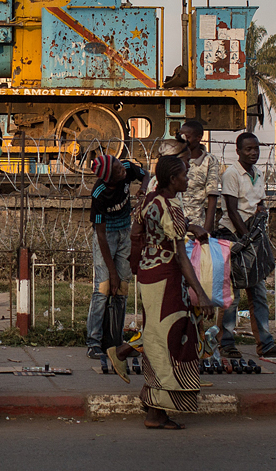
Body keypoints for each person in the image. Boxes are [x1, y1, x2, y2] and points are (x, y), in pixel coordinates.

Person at [104, 156, 211, 430]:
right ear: (173, 179)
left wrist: (139, 263)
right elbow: (181, 257)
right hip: (167, 278)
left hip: (150, 276)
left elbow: (136, 231)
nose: (188, 179)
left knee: (157, 337)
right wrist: (200, 291)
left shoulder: (150, 200)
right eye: (185, 175)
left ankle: (151, 401)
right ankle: (154, 411)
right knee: (169, 341)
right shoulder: (172, 206)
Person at [214, 132, 276, 358]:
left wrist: (260, 215)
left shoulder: (258, 173)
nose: (253, 152)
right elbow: (231, 209)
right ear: (238, 151)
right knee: (233, 291)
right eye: (248, 149)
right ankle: (226, 341)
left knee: (257, 291)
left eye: (256, 148)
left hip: (253, 236)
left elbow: (258, 203)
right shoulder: (232, 174)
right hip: (235, 235)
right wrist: (246, 238)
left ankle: (265, 342)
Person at [85, 153, 147, 360]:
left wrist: (144, 191)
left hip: (125, 231)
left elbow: (145, 176)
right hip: (107, 237)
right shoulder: (99, 193)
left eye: (122, 167)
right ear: (110, 178)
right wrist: (111, 272)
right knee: (103, 288)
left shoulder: (127, 167)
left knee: (122, 288)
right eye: (119, 170)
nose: (124, 170)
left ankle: (116, 339)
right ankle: (93, 342)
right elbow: (100, 234)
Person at [179, 120, 221, 237]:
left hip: (197, 226)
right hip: (174, 224)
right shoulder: (175, 159)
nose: (183, 140)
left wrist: (206, 231)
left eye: (187, 137)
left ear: (198, 138)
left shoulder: (209, 161)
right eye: (181, 136)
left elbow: (212, 197)